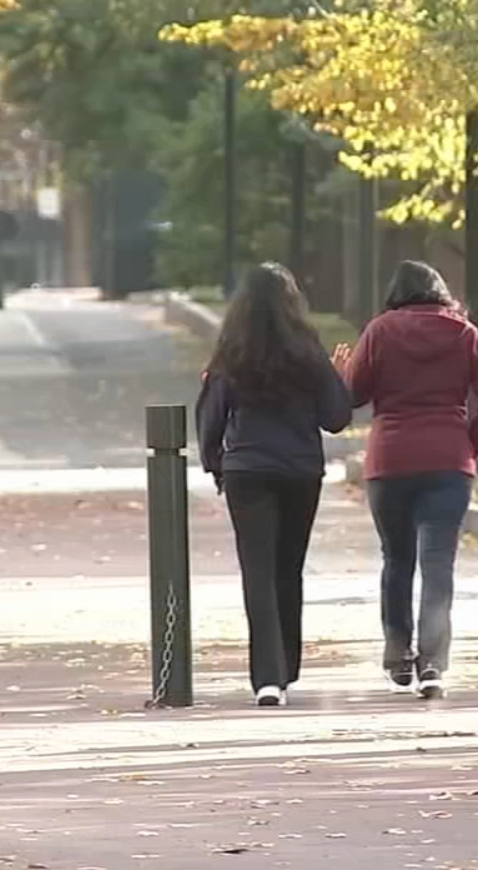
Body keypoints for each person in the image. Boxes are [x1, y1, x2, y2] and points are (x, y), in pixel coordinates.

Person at [332, 261, 478, 699]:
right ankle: (432, 663)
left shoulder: (380, 330)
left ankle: (396, 653)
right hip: (448, 460)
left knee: (397, 559)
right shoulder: (464, 333)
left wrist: (342, 373)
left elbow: (354, 396)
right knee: (438, 563)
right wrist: (469, 445)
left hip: (390, 461)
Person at [196, 262, 353, 707]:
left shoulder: (231, 353)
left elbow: (210, 415)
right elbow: (336, 418)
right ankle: (287, 666)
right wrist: (338, 379)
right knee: (289, 568)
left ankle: (266, 678)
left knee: (257, 572)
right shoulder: (308, 351)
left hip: (248, 469)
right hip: (301, 471)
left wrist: (217, 464)